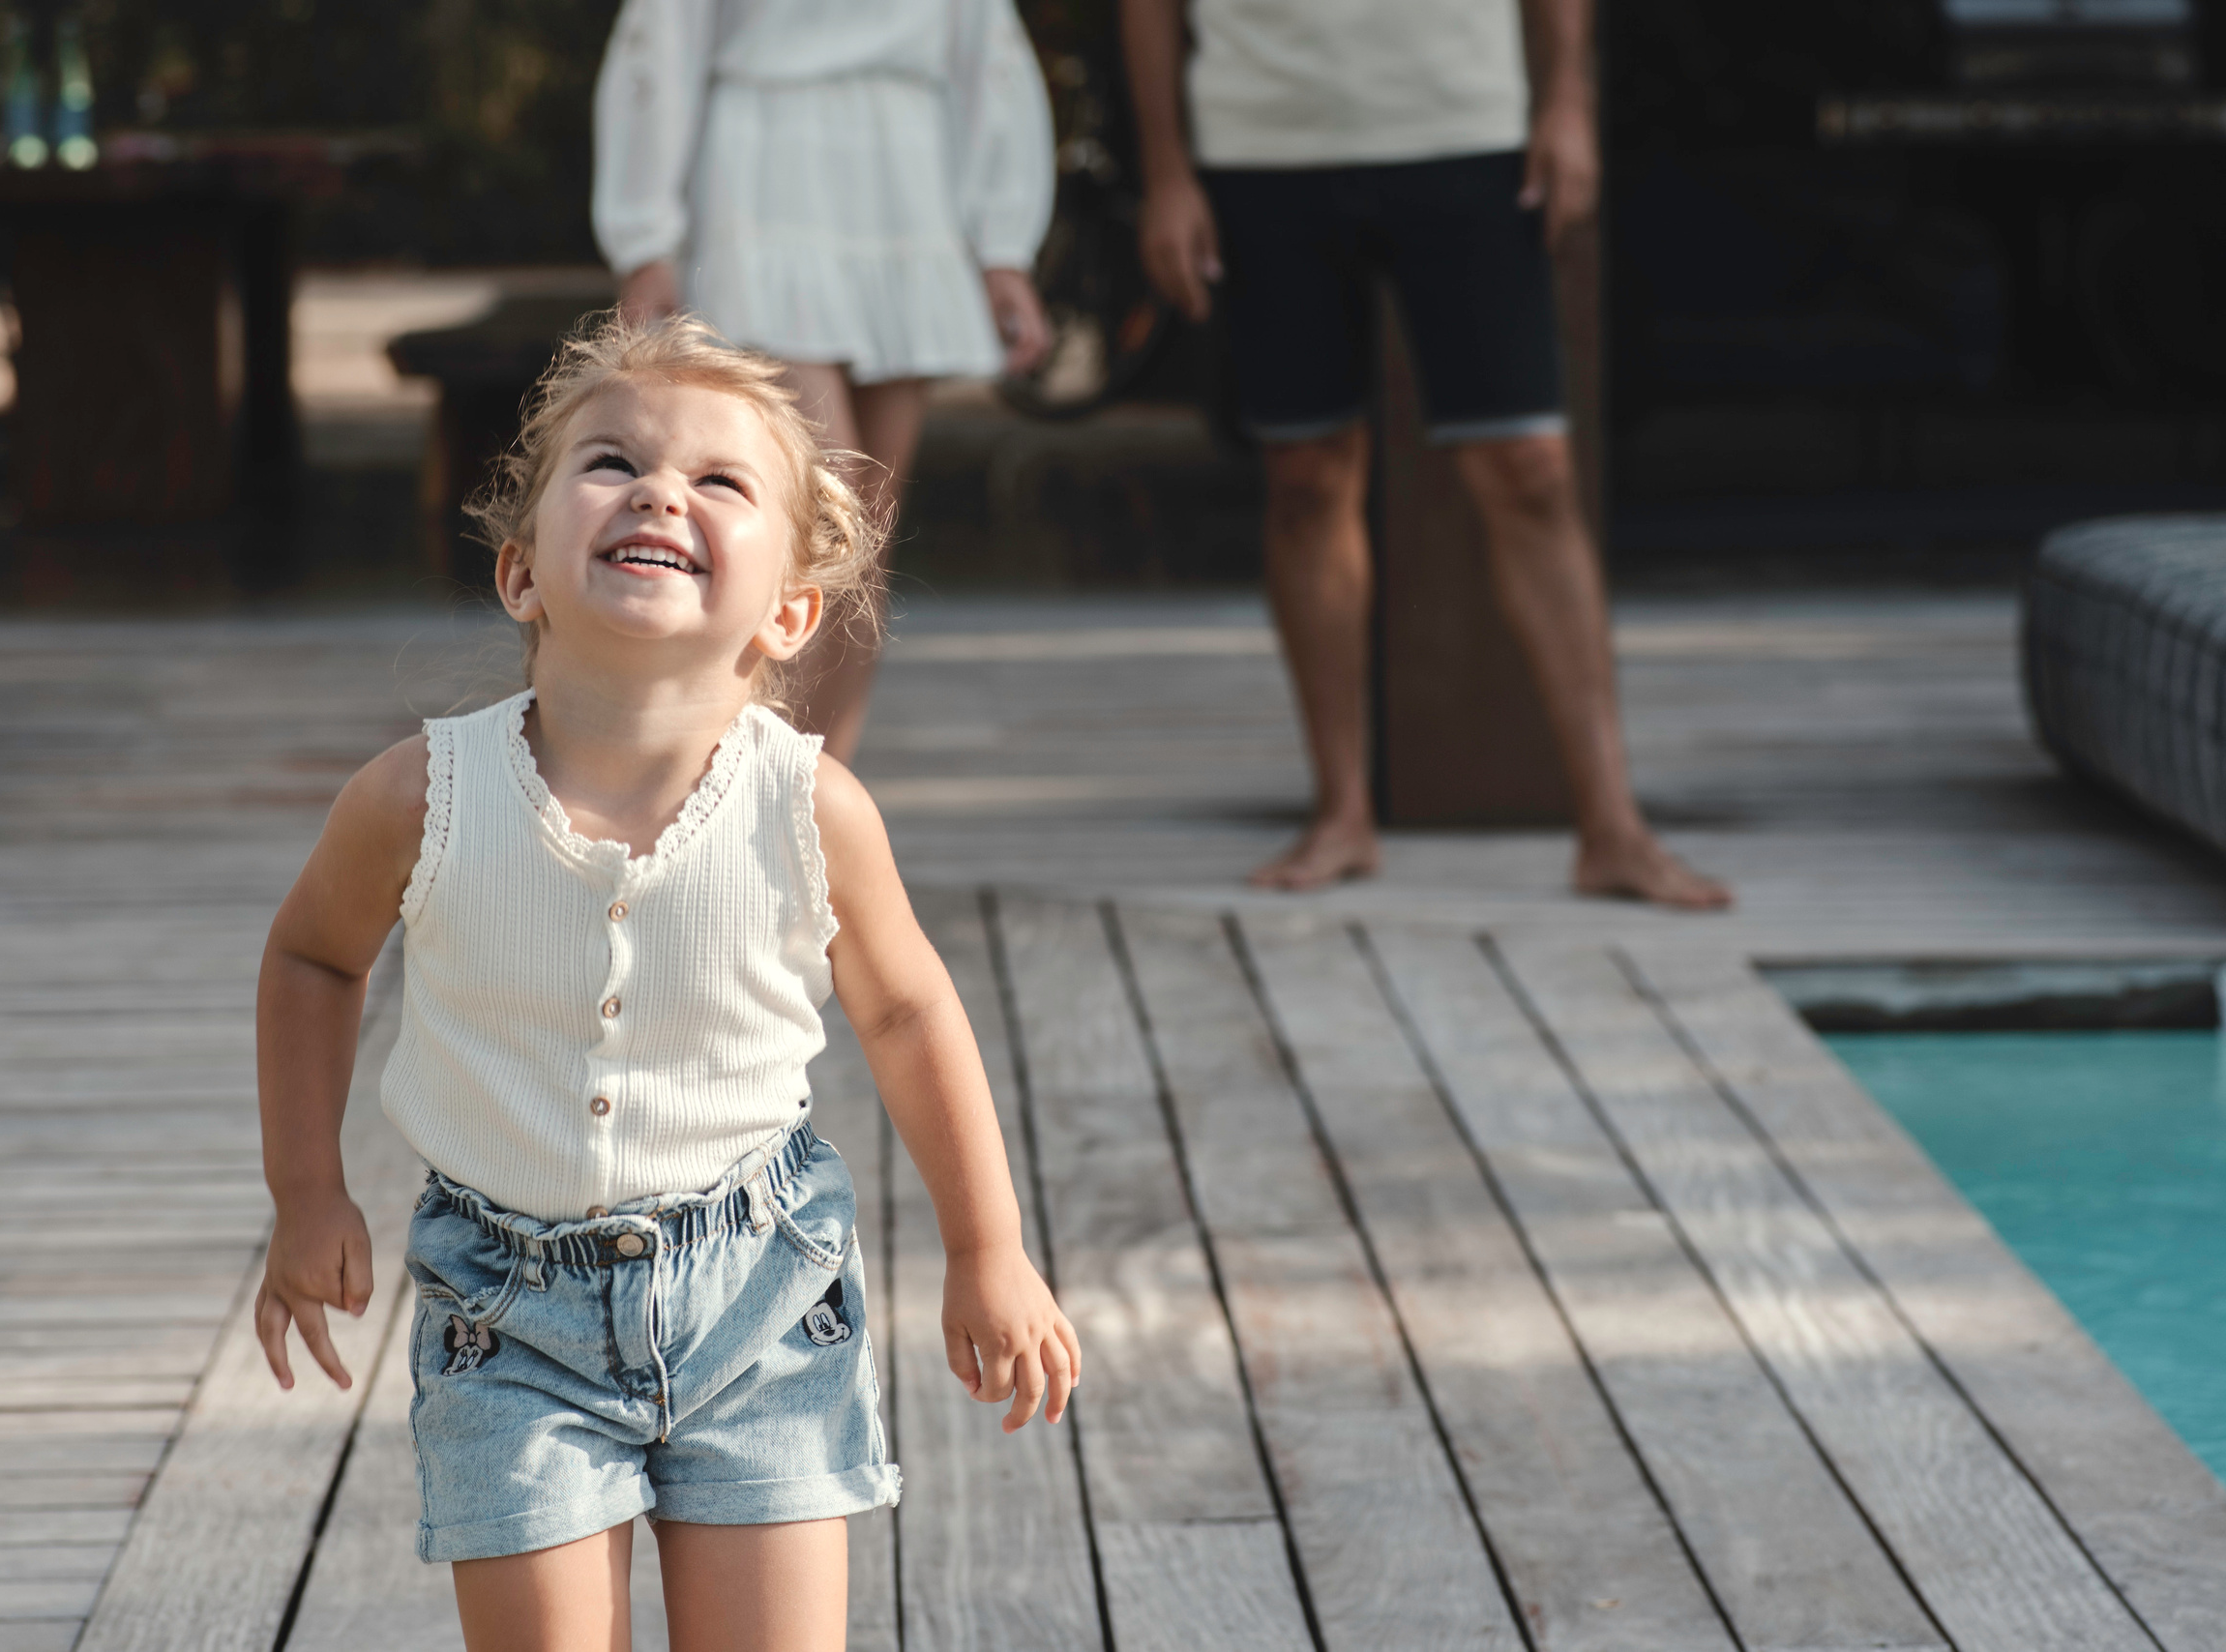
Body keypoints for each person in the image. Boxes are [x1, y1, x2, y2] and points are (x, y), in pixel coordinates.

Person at [252, 317, 1081, 1652]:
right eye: (614, 463)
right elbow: (310, 958)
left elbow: (911, 1012)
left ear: (790, 614)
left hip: (763, 1294)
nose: (659, 491)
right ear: (522, 573)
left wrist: (988, 1250)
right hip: (507, 1312)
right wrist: (305, 1193)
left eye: (719, 481)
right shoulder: (422, 795)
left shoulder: (810, 808)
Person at [1121, 0, 1731, 905]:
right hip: (1261, 139)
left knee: (1532, 472)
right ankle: (1343, 813)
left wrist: (1566, 100)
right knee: (1306, 476)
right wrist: (1167, 172)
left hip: (1467, 125)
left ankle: (1613, 827)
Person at [594, 0, 1057, 761]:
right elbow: (663, 34)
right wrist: (646, 235)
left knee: (866, 533)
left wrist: (1003, 242)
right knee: (820, 511)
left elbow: (987, 44)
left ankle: (814, 805)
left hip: (908, 170)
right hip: (763, 166)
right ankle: (730, 798)